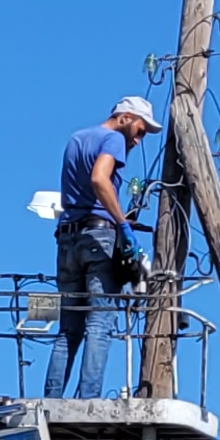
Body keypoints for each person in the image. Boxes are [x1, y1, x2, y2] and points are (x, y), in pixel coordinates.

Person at [44, 97, 156, 397]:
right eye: (140, 130)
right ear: (125, 118)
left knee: (69, 328)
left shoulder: (76, 139)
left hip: (67, 239)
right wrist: (123, 224)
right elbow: (99, 179)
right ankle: (87, 400)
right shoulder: (113, 139)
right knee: (100, 322)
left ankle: (51, 399)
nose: (138, 139)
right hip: (98, 236)